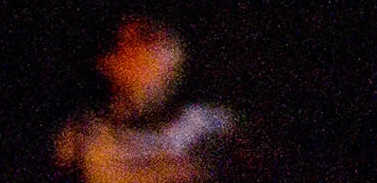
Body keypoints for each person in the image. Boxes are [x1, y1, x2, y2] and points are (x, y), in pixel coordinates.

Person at [54, 16, 241, 183]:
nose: (158, 46)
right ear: (107, 63)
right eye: (143, 39)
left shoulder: (214, 126)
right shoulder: (80, 138)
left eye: (157, 37)